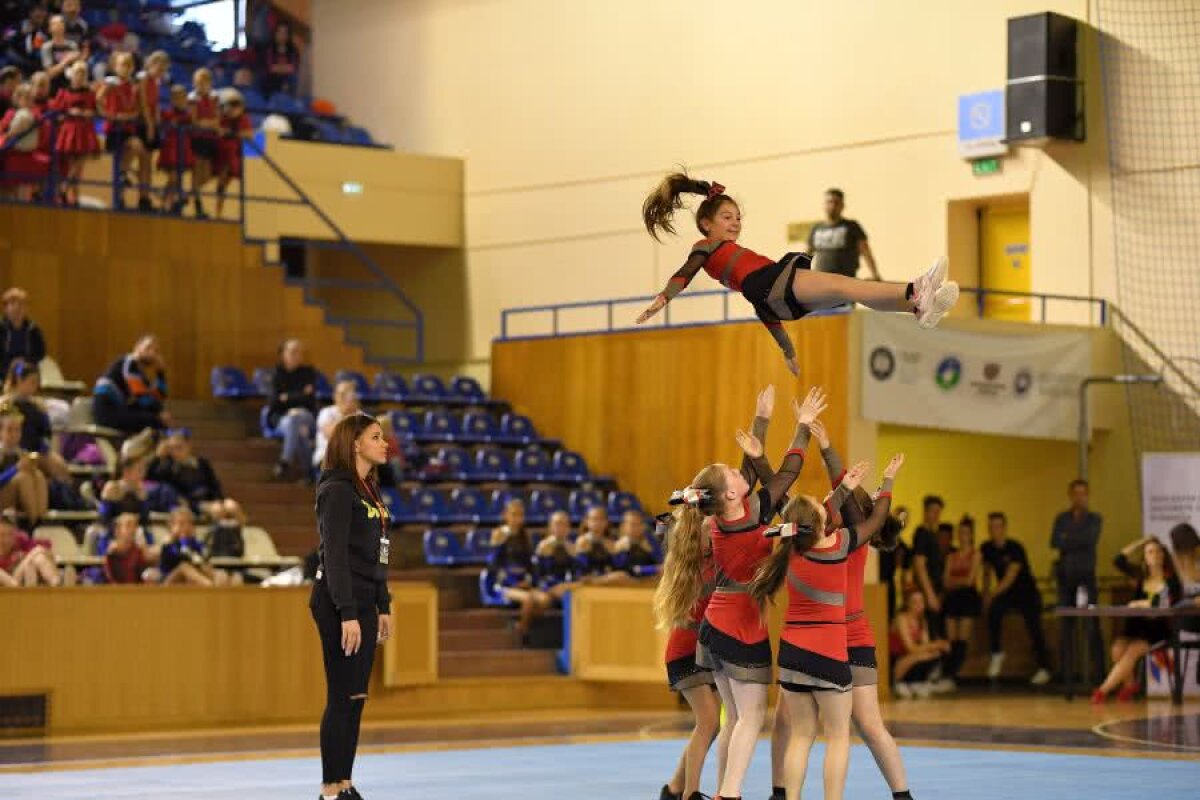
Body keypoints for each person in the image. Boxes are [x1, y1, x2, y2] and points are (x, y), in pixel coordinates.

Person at [636, 172, 957, 375]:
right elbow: (684, 273)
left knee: (847, 291)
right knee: (845, 284)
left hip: (772, 298)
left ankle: (917, 307)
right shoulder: (705, 247)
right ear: (707, 223)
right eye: (726, 217)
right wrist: (663, 299)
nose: (735, 223)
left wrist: (788, 351)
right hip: (772, 284)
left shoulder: (735, 264)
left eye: (737, 217)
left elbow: (762, 310)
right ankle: (915, 291)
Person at [680, 385, 820, 800]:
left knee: (734, 719)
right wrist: (803, 426)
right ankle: (730, 794)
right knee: (751, 717)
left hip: (715, 625)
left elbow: (752, 476)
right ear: (729, 495)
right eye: (736, 476)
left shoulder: (725, 517)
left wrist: (761, 420)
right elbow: (786, 474)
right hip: (739, 628)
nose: (744, 476)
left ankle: (725, 789)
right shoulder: (750, 513)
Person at [748, 455, 901, 800]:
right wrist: (887, 482)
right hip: (829, 654)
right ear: (823, 523)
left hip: (791, 655)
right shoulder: (840, 546)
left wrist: (760, 457)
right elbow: (875, 520)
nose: (824, 504)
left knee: (801, 735)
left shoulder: (788, 551)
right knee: (837, 736)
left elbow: (799, 506)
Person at [312, 412, 393, 800]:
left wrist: (383, 604)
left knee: (357, 698)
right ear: (355, 443)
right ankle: (330, 790)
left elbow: (379, 553)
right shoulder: (338, 490)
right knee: (342, 696)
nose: (385, 443)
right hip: (337, 600)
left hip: (363, 600)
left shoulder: (371, 491)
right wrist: (347, 612)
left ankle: (345, 783)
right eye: (376, 437)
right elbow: (336, 558)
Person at [654, 511, 721, 800]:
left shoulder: (702, 561)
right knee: (708, 722)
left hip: (707, 650)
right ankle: (689, 794)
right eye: (712, 531)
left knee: (710, 725)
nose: (717, 535)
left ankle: (673, 789)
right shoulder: (696, 566)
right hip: (686, 651)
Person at [1092, 536, 1182, 703]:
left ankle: (1102, 691)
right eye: (1150, 552)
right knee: (1117, 649)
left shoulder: (1171, 580)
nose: (1155, 554)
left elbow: (1167, 602)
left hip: (1157, 629)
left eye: (1158, 551)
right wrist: (1141, 542)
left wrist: (1142, 602)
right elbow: (1118, 560)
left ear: (1163, 555)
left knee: (1133, 650)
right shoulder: (1141, 576)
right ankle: (1131, 684)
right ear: (1145, 558)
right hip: (1136, 626)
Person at [981, 512, 1052, 686]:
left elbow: (1009, 577)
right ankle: (997, 653)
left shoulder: (1015, 548)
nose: (994, 530)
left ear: (1004, 528)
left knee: (1034, 624)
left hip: (1026, 592)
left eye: (998, 526)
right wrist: (984, 594)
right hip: (1006, 594)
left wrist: (991, 594)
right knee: (994, 611)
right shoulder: (987, 547)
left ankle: (1045, 668)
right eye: (991, 527)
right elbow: (987, 571)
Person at [1052, 479, 1105, 686]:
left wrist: (1068, 538)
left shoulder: (1094, 519)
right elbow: (1055, 541)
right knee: (1066, 627)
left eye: (1083, 493)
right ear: (1070, 495)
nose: (1079, 497)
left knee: (1092, 626)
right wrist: (1074, 538)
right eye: (1076, 493)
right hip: (1065, 578)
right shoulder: (1061, 518)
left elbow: (1089, 540)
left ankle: (1099, 675)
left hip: (1086, 577)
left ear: (1088, 495)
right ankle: (1067, 677)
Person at [97, 51, 151, 210]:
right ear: (115, 67)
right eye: (122, 65)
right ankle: (119, 195)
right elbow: (99, 99)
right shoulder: (111, 83)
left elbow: (139, 107)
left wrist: (132, 115)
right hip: (114, 128)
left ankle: (123, 173)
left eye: (129, 65)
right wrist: (107, 114)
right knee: (120, 159)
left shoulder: (133, 86)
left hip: (127, 127)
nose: (125, 69)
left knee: (136, 147)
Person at [93, 334, 171, 434]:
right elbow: (142, 397)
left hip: (118, 409)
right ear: (137, 347)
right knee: (155, 421)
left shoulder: (139, 374)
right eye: (148, 348)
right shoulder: (129, 362)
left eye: (156, 351)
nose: (152, 353)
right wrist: (160, 412)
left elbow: (158, 397)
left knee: (154, 417)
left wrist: (160, 373)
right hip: (107, 411)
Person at [941, 515, 982, 689]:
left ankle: (951, 674)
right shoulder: (952, 555)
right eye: (961, 532)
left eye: (966, 533)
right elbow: (945, 580)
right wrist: (959, 580)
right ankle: (947, 675)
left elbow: (969, 580)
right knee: (951, 639)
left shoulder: (976, 553)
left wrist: (955, 581)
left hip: (967, 597)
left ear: (971, 534)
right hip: (952, 598)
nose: (963, 536)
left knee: (962, 639)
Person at [145, 427, 227, 515]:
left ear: (189, 445)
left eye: (179, 447)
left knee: (232, 506)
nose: (175, 452)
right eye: (172, 448)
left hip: (209, 500)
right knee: (217, 510)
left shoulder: (202, 463)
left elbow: (214, 484)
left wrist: (219, 500)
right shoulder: (169, 467)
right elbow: (149, 477)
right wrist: (158, 457)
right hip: (191, 504)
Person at [268, 338, 319, 480]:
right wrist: (300, 395)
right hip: (282, 417)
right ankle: (308, 471)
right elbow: (273, 402)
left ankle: (284, 461)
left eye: (298, 352)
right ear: (283, 354)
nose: (296, 355)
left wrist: (287, 397)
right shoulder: (276, 374)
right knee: (298, 429)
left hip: (306, 415)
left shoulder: (308, 372)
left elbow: (310, 400)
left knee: (297, 418)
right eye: (292, 352)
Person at [804, 188, 881, 281]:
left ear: (842, 206)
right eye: (829, 202)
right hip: (820, 282)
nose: (832, 206)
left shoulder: (852, 226)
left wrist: (875, 274)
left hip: (846, 281)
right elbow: (806, 254)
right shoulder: (816, 228)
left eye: (836, 202)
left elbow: (866, 251)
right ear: (824, 205)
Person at [51, 60, 98, 204]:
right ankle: (71, 195)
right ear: (72, 75)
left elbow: (94, 111)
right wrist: (69, 112)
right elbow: (56, 113)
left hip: (84, 130)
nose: (80, 76)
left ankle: (67, 191)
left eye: (83, 74)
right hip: (69, 130)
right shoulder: (63, 92)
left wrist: (85, 113)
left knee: (79, 164)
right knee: (72, 165)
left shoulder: (90, 93)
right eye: (78, 73)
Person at [890, 589, 950, 698]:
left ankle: (917, 682)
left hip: (912, 657)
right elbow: (910, 648)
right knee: (929, 653)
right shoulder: (901, 618)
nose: (919, 605)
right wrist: (937, 644)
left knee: (934, 654)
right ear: (907, 603)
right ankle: (899, 682)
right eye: (915, 602)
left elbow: (925, 645)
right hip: (898, 658)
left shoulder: (922, 620)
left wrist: (935, 647)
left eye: (921, 601)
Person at [910, 495, 946, 639]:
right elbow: (920, 566)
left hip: (934, 589)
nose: (936, 515)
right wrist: (930, 595)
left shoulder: (932, 534)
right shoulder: (922, 534)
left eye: (938, 512)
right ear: (925, 512)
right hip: (927, 591)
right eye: (933, 511)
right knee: (931, 633)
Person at [214, 89, 252, 218]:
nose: (233, 108)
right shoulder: (220, 118)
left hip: (236, 156)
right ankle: (218, 209)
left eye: (236, 104)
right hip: (220, 155)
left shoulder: (244, 119)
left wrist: (233, 134)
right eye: (230, 104)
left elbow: (248, 134)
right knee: (222, 182)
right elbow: (217, 131)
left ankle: (239, 214)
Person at [188, 67, 220, 218]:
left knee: (207, 173)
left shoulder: (214, 98)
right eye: (199, 83)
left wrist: (206, 123)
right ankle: (197, 202)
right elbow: (195, 122)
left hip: (210, 139)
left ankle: (188, 194)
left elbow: (217, 120)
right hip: (197, 138)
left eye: (205, 82)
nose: (202, 86)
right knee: (197, 170)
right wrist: (208, 123)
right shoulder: (192, 99)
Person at [157, 83, 193, 213]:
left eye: (183, 97)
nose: (180, 100)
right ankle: (165, 203)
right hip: (171, 149)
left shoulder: (189, 115)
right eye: (177, 97)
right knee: (173, 177)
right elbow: (165, 125)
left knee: (177, 178)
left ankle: (170, 202)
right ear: (172, 99)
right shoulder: (166, 114)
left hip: (183, 149)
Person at [0, 287, 46, 378]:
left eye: (21, 303)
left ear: (26, 308)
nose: (17, 307)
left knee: (24, 375)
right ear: (5, 308)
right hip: (2, 371)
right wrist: (11, 366)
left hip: (26, 371)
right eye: (13, 303)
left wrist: (23, 361)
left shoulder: (33, 329)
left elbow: (40, 353)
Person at [314, 380, 360, 468]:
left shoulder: (359, 414)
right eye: (342, 394)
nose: (346, 398)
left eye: (349, 394)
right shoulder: (326, 412)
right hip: (327, 456)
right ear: (335, 396)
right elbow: (331, 434)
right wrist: (347, 415)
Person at [40, 14, 81, 95]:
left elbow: (77, 68)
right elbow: (50, 74)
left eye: (61, 23)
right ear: (49, 29)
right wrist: (67, 60)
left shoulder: (72, 46)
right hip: (54, 88)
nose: (59, 25)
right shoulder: (47, 47)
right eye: (55, 24)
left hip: (71, 86)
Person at [260, 20, 300, 96]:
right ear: (275, 34)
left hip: (288, 78)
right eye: (280, 32)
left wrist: (278, 68)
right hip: (272, 79)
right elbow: (269, 67)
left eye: (285, 33)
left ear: (288, 35)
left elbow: (293, 67)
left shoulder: (293, 50)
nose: (282, 35)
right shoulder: (269, 49)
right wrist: (284, 68)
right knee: (268, 79)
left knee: (294, 78)